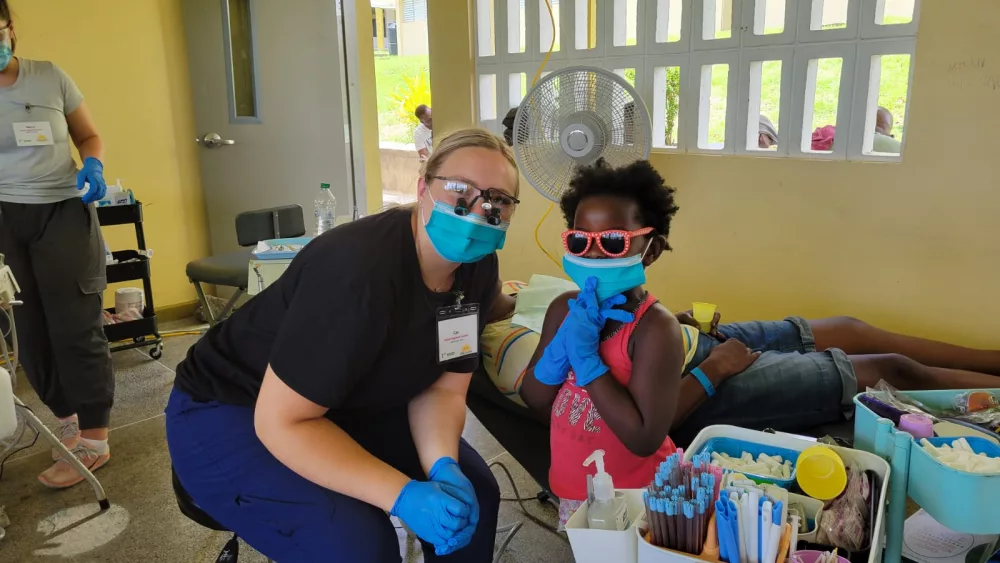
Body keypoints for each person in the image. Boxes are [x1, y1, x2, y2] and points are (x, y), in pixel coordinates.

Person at [519, 159, 1000, 526]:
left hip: (691, 348)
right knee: (893, 367)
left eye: (615, 243)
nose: (595, 253)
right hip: (690, 376)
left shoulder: (655, 328)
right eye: (580, 243)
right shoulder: (567, 311)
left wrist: (587, 361)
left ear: (652, 247)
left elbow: (644, 434)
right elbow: (538, 398)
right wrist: (564, 349)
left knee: (852, 328)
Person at [166, 129, 521, 562]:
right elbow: (284, 423)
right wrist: (404, 495)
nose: (477, 209)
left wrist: (442, 467)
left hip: (344, 405)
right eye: (460, 190)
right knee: (356, 542)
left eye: (497, 200)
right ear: (422, 187)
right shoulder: (357, 272)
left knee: (474, 498)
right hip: (230, 411)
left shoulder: (477, 269)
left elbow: (441, 388)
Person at [0, 0, 114, 489]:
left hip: (62, 210)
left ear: (9, 28)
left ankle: (94, 439)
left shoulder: (49, 77)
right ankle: (65, 421)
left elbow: (88, 134)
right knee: (25, 328)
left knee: (75, 323)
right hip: (4, 216)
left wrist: (93, 163)